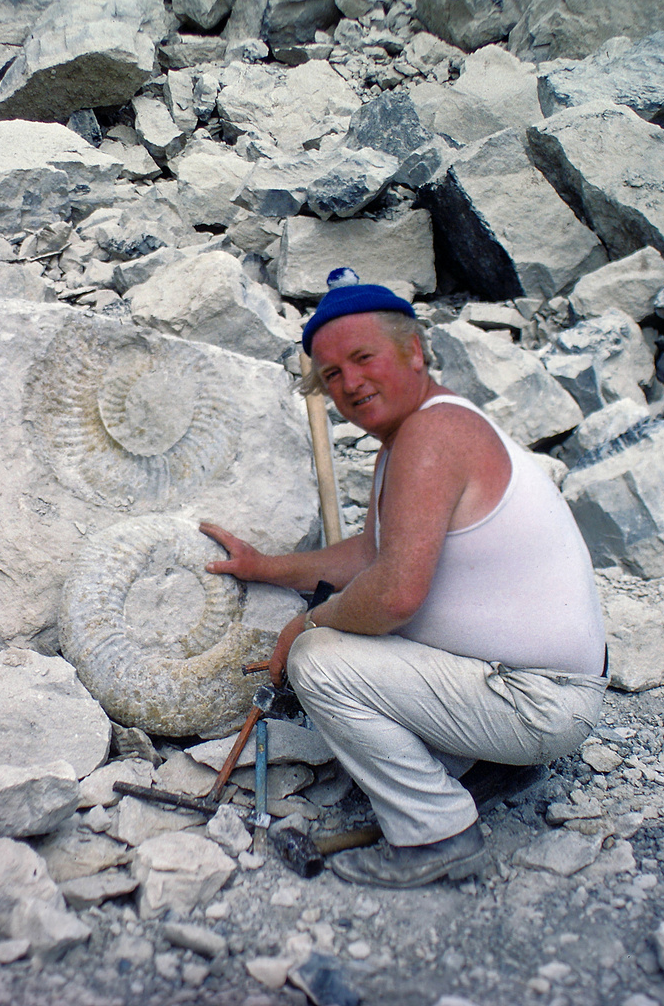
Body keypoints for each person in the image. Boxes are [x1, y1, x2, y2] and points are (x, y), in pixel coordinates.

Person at [200, 278, 607, 888]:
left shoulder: (431, 436)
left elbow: (392, 595)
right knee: (348, 634)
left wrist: (303, 624)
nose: (349, 384)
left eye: (363, 359)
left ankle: (435, 835)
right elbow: (370, 554)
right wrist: (264, 567)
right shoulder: (422, 432)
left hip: (539, 701)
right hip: (538, 686)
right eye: (332, 374)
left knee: (320, 660)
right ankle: (487, 767)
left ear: (414, 351)